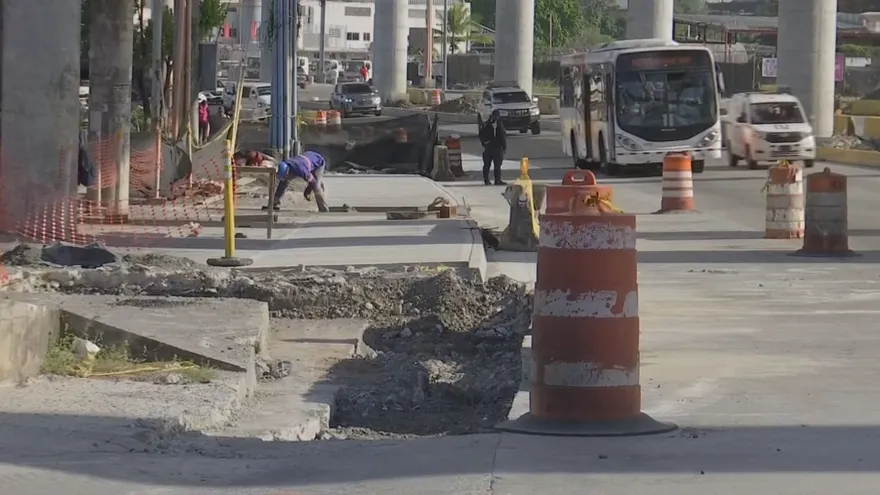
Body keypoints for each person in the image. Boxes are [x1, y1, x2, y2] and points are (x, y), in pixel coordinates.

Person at [479, 110, 507, 186]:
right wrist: (504, 147)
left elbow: (481, 134)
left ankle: (486, 180)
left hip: (488, 147)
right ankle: (497, 180)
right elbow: (502, 136)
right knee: (497, 165)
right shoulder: (498, 124)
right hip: (497, 147)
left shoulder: (486, 124)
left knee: (486, 164)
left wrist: (484, 144)